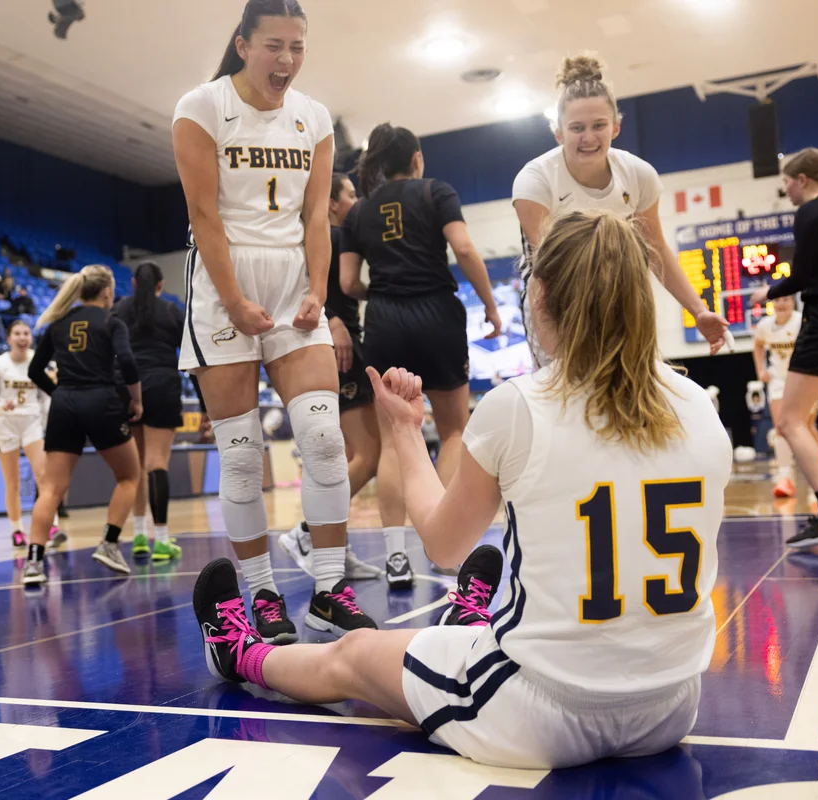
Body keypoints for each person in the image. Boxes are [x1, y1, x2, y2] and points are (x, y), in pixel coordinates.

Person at [192, 210, 731, 770]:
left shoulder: (523, 403)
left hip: (543, 713)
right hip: (671, 707)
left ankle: (239, 653)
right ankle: (470, 625)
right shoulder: (699, 406)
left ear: (539, 298)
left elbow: (445, 547)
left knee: (353, 655)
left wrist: (403, 430)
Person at [173, 0, 377, 642]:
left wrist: (318, 291)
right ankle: (261, 595)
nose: (287, 59)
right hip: (222, 281)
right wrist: (234, 301)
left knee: (321, 438)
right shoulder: (201, 107)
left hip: (293, 281)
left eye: (297, 47)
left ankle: (328, 588)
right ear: (242, 45)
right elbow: (204, 216)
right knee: (241, 457)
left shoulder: (313, 118)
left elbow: (317, 217)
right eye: (274, 46)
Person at [339, 124, 501, 588]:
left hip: (386, 320)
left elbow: (349, 284)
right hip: (438, 316)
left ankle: (394, 558)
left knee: (393, 441)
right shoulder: (437, 191)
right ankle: (444, 546)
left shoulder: (358, 213)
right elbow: (464, 247)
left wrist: (385, 292)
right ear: (416, 160)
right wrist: (489, 305)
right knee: (453, 431)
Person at [513, 54, 730, 365]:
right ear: (558, 132)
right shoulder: (534, 181)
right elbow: (547, 268)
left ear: (615, 127)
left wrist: (698, 310)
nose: (588, 137)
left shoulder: (638, 174)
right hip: (554, 289)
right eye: (577, 128)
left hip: (618, 283)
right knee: (570, 385)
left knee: (628, 382)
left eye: (598, 125)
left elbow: (655, 247)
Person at [749, 149, 818, 547]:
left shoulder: (812, 212)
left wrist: (768, 292)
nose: (785, 189)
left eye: (786, 181)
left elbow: (802, 275)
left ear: (802, 179)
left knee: (789, 422)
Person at [279, 173, 382, 582]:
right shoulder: (327, 238)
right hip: (336, 348)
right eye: (352, 194)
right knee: (368, 455)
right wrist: (333, 319)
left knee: (344, 457)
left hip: (344, 342)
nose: (357, 201)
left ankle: (332, 546)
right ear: (332, 203)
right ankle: (307, 532)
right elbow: (301, 286)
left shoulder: (343, 241)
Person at [22, 265, 142, 583]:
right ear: (106, 292)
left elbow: (35, 370)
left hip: (65, 405)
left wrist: (58, 394)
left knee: (50, 488)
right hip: (101, 401)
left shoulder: (59, 323)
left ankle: (33, 563)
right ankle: (109, 543)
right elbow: (127, 362)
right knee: (129, 476)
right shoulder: (112, 321)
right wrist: (136, 399)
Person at [112, 261, 186, 562]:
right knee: (157, 464)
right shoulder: (171, 311)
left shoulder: (118, 310)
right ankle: (163, 539)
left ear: (132, 283)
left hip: (127, 388)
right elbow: (192, 353)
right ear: (160, 285)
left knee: (137, 467)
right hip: (163, 386)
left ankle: (140, 536)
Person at [0, 320, 52, 549]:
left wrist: (47, 420)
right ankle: (16, 530)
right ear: (9, 338)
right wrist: (4, 406)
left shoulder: (40, 362)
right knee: (12, 483)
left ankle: (51, 525)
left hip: (32, 423)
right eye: (17, 333)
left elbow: (46, 396)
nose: (22, 337)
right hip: (6, 426)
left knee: (43, 477)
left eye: (26, 333)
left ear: (31, 338)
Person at [752, 296, 807, 498]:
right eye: (777, 300)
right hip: (779, 379)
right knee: (781, 426)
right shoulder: (765, 325)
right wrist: (761, 370)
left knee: (806, 427)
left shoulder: (801, 321)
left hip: (803, 377)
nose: (781, 303)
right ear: (772, 303)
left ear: (793, 302)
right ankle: (786, 479)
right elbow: (757, 345)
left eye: (786, 299)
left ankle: (817, 457)